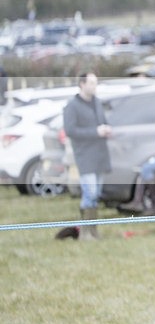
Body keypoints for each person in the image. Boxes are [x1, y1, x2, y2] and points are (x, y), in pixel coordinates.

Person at [57, 72, 111, 240]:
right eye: (92, 83)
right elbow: (71, 131)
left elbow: (103, 121)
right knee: (90, 193)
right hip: (85, 156)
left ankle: (92, 231)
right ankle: (85, 233)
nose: (95, 87)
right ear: (82, 84)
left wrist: (106, 129)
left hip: (100, 155)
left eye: (96, 83)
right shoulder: (72, 106)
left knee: (96, 194)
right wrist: (95, 132)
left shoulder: (97, 103)